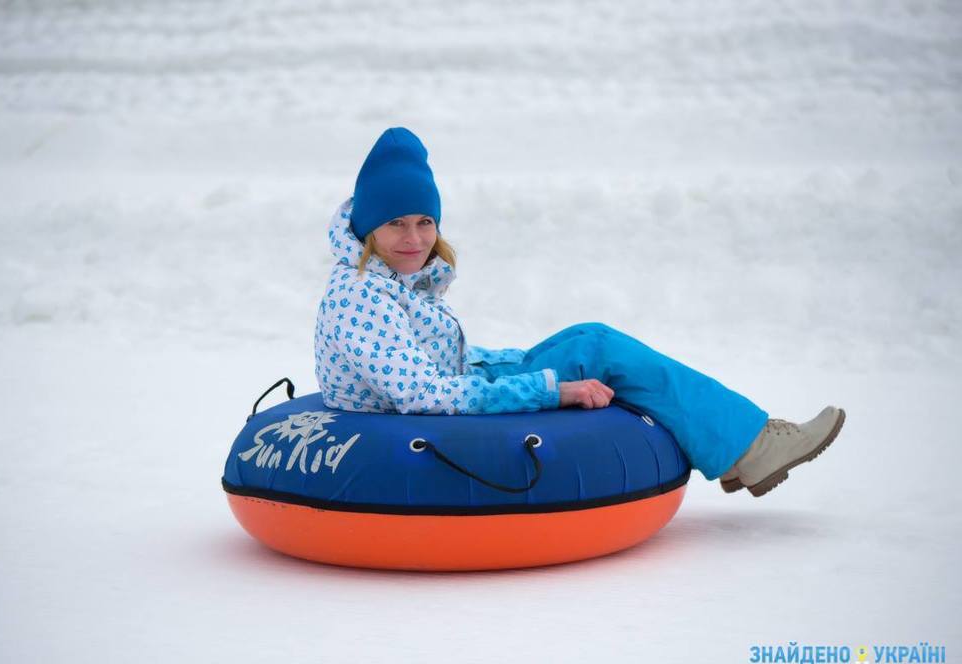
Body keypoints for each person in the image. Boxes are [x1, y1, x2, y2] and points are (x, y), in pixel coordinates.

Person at [314, 127, 846, 497]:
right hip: (409, 422)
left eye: (424, 222)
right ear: (368, 228)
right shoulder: (362, 296)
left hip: (463, 379)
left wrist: (512, 360)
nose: (414, 238)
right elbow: (423, 395)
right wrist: (550, 388)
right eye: (396, 223)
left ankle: (742, 443)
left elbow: (421, 360)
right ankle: (750, 448)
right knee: (600, 352)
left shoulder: (388, 282)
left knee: (589, 337)